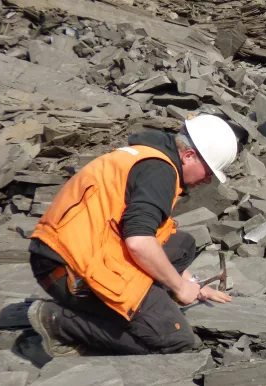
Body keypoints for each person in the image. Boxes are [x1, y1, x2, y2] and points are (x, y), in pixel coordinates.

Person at [26, 114, 239, 356]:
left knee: (183, 245)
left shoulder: (147, 156)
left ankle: (148, 302)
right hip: (68, 269)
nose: (208, 179)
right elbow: (139, 242)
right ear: (189, 156)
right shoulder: (160, 173)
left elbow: (152, 236)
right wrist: (179, 287)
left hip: (74, 248)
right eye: (209, 170)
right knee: (175, 339)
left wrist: (194, 285)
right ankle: (59, 322)